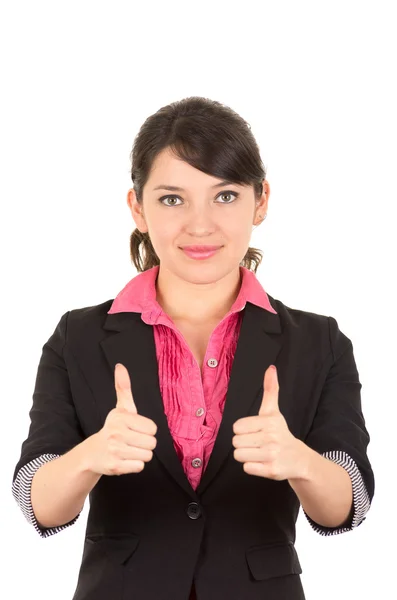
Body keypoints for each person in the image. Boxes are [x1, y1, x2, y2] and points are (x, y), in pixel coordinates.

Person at [12, 96, 374, 600]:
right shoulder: (79, 337)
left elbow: (346, 504)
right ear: (137, 208)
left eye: (224, 196)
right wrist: (91, 455)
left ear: (261, 201)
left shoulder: (319, 341)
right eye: (172, 198)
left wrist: (300, 461)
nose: (200, 225)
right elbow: (37, 501)